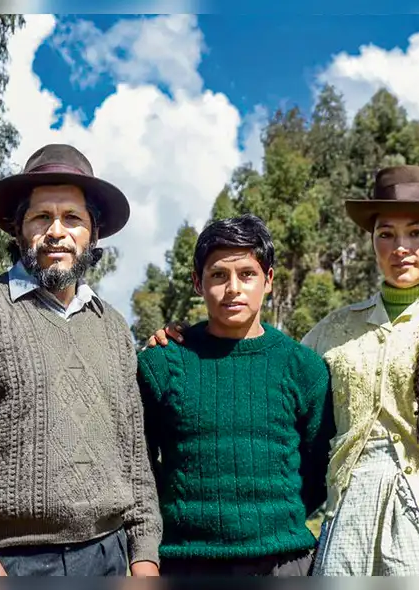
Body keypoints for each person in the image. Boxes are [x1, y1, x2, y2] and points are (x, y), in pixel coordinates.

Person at [147, 166, 419, 576]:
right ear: (372, 242)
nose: (400, 246)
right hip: (351, 535)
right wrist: (180, 341)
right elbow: (259, 378)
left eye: (416, 233)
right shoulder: (334, 333)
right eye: (386, 234)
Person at [0, 144, 162, 577]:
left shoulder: (114, 327)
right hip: (11, 563)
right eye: (42, 217)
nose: (57, 232)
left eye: (73, 219)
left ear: (94, 235)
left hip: (111, 557)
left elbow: (134, 452)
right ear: (19, 229)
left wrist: (144, 553)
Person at [136, 214, 335, 576]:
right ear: (198, 282)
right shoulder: (162, 364)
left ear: (268, 280)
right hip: (186, 563)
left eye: (247, 274)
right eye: (218, 275)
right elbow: (138, 468)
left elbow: (321, 467)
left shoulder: (303, 368)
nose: (233, 288)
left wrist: (272, 515)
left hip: (284, 561)